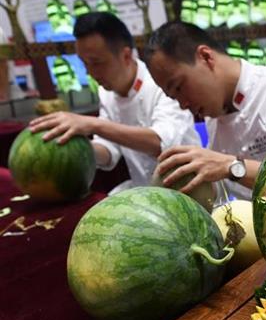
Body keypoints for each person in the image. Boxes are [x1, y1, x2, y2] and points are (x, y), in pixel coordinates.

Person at [144, 21, 266, 202]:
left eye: (179, 87)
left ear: (206, 57)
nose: (183, 104)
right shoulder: (213, 119)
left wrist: (230, 166)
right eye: (173, 97)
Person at [29, 12, 199, 194]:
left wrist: (92, 124)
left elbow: (159, 143)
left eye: (96, 63)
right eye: (84, 64)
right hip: (148, 194)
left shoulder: (159, 83)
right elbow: (109, 150)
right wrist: (71, 148)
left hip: (190, 191)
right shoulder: (107, 92)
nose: (90, 73)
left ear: (126, 55)